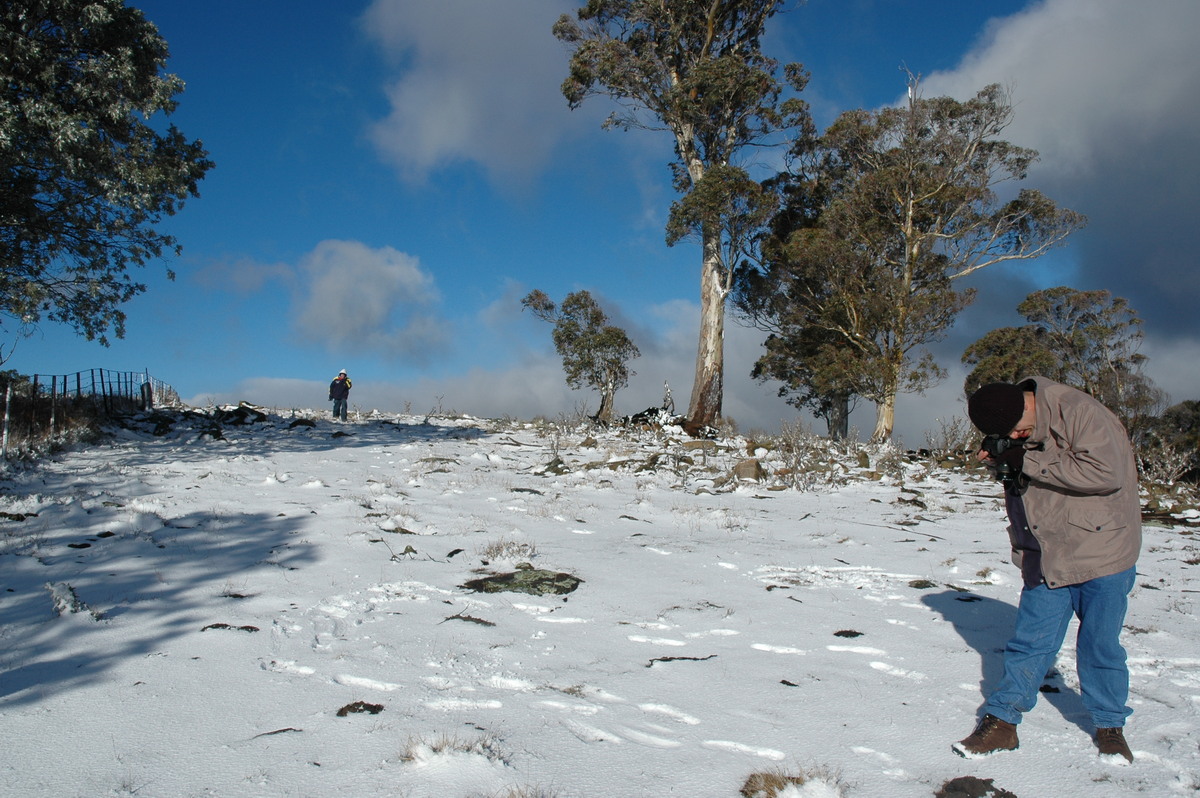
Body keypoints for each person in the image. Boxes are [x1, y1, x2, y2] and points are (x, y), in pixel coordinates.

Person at [954, 377, 1141, 764]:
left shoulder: (1082, 414)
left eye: (1018, 431)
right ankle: (1002, 723)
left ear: (1025, 409)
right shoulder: (1021, 423)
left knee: (1099, 646)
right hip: (1047, 549)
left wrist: (1026, 459)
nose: (1020, 437)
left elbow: (1106, 473)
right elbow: (1030, 485)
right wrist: (1003, 461)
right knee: (1029, 643)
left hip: (1101, 549)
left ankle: (1110, 727)